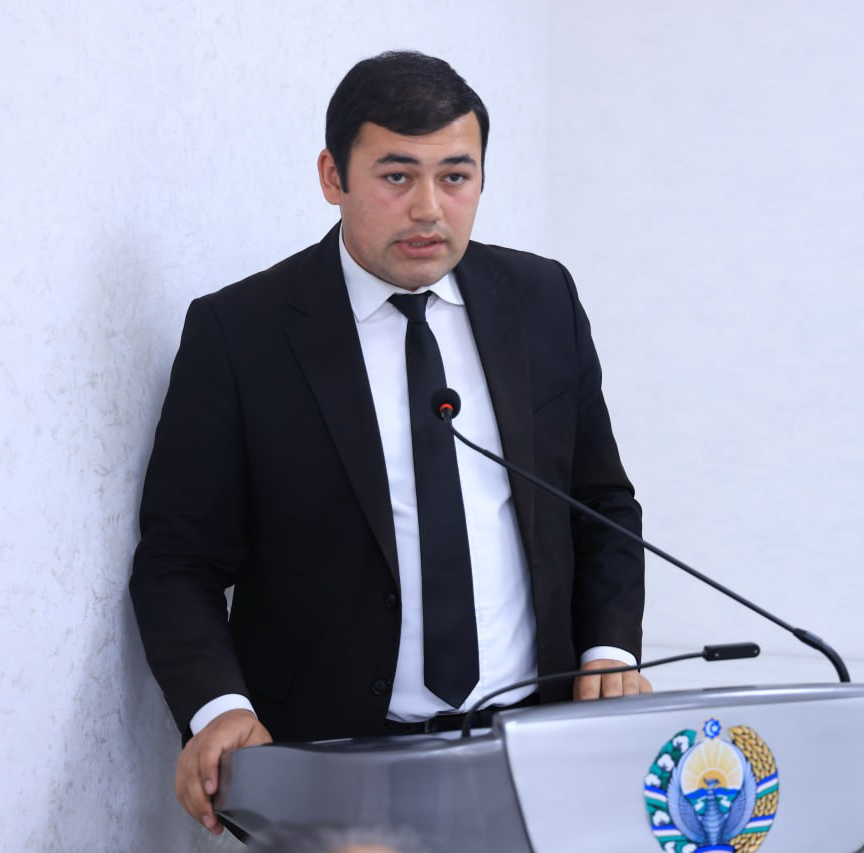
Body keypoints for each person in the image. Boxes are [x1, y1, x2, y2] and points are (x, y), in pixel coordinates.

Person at [130, 50, 648, 836]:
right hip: (333, 767)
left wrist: (609, 650)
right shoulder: (240, 335)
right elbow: (178, 560)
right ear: (332, 176)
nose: (429, 209)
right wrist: (220, 707)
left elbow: (601, 504)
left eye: (456, 176)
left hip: (533, 749)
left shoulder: (542, 300)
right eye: (397, 176)